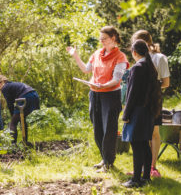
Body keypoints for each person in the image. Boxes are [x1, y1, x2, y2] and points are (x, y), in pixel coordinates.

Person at [66, 26, 129, 172]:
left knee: (109, 129)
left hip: (110, 95)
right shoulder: (96, 54)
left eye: (104, 39)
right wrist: (75, 55)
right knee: (98, 129)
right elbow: (86, 70)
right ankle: (104, 158)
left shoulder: (120, 57)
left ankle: (108, 163)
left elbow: (116, 79)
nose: (101, 42)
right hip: (95, 94)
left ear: (113, 38)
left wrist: (104, 86)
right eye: (100, 39)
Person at [122, 39, 162, 187]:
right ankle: (146, 177)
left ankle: (136, 180)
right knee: (144, 144)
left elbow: (132, 94)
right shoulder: (150, 66)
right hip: (149, 111)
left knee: (136, 144)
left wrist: (126, 114)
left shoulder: (138, 67)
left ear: (134, 52)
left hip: (138, 110)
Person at [131, 30, 170, 177]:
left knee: (153, 133)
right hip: (139, 101)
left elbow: (166, 83)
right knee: (140, 134)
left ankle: (153, 167)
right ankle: (141, 168)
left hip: (153, 99)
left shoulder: (160, 58)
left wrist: (149, 88)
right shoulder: (139, 58)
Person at [0, 75, 40, 145]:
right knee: (22, 118)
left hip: (26, 96)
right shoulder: (11, 85)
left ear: (2, 82)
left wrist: (12, 116)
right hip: (34, 95)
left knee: (13, 123)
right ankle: (25, 141)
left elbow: (10, 103)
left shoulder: (5, 87)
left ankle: (13, 145)